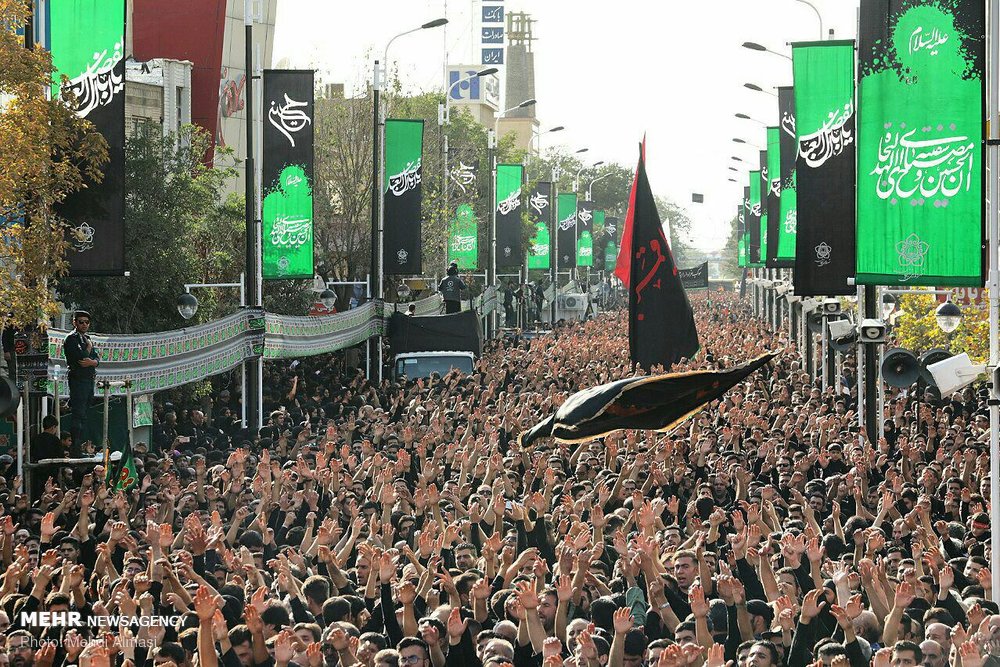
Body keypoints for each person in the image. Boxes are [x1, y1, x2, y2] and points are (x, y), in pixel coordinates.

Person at [62, 310, 98, 446]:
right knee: (78, 413)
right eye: (81, 322)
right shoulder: (72, 338)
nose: (84, 325)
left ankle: (80, 444)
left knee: (85, 412)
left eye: (87, 322)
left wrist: (93, 362)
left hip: (89, 379)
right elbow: (82, 357)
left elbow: (96, 357)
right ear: (75, 322)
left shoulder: (86, 338)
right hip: (78, 379)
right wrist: (88, 349)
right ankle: (75, 445)